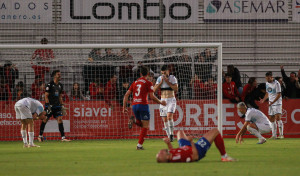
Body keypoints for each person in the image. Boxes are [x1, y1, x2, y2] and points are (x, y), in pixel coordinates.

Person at [123, 66, 166, 150]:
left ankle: (134, 120)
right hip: (143, 105)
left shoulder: (135, 82)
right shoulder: (148, 82)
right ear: (148, 74)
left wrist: (124, 107)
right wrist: (161, 102)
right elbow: (152, 96)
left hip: (134, 105)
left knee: (141, 123)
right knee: (145, 126)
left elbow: (126, 95)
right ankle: (139, 145)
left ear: (140, 74)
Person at [156, 129, 236, 163]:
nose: (161, 151)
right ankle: (224, 156)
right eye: (161, 153)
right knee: (215, 131)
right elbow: (195, 156)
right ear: (166, 157)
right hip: (197, 149)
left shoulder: (172, 157)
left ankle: (224, 156)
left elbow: (173, 152)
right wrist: (191, 142)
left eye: (159, 152)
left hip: (184, 147)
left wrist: (168, 144)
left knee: (179, 132)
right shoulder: (181, 157)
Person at [38, 70, 71, 142]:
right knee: (45, 119)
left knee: (60, 119)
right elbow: (46, 96)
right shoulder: (49, 85)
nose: (60, 75)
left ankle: (63, 137)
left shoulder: (60, 85)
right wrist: (47, 106)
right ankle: (40, 136)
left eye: (60, 74)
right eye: (58, 74)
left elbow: (60, 96)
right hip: (50, 106)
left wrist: (62, 105)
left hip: (57, 106)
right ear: (54, 76)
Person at [154, 65, 178, 141]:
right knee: (165, 120)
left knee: (169, 117)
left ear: (168, 71)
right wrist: (160, 83)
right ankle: (169, 136)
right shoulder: (159, 79)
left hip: (171, 100)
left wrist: (168, 82)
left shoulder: (172, 78)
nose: (164, 74)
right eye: (162, 73)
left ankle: (171, 134)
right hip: (163, 100)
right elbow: (154, 90)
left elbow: (176, 89)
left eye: (165, 72)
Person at [259, 71, 284, 139]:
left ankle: (281, 135)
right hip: (271, 103)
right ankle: (274, 135)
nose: (267, 80)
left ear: (271, 77)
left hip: (277, 103)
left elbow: (279, 94)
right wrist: (263, 100)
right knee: (271, 119)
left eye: (268, 78)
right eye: (266, 78)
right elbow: (267, 93)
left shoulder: (277, 83)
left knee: (278, 118)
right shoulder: (267, 83)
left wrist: (272, 102)